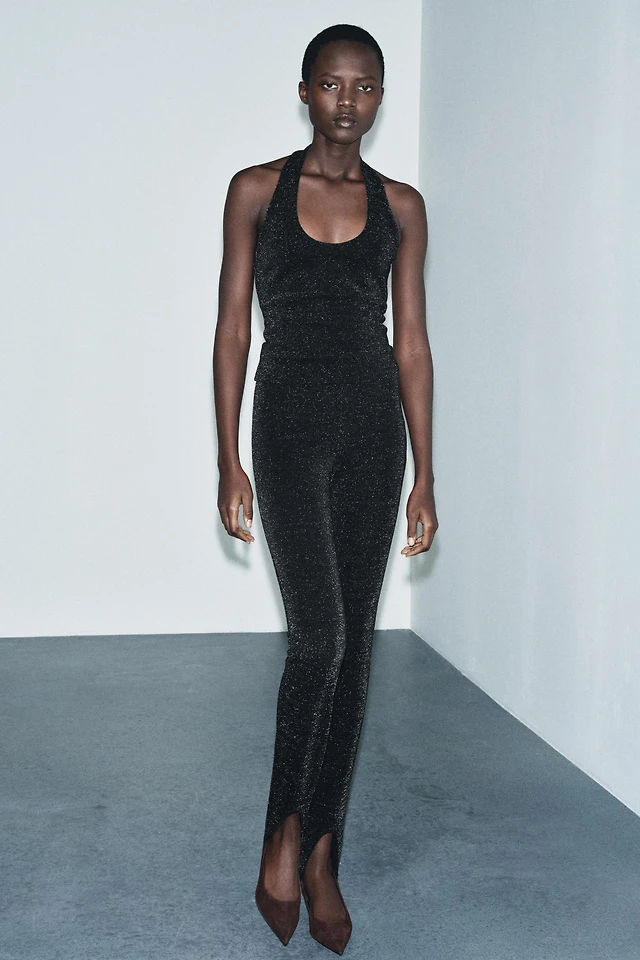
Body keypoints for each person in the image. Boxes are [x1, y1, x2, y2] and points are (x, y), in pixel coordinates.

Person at [213, 23, 437, 955]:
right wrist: (227, 458)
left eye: (367, 86)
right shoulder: (255, 191)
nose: (350, 101)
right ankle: (282, 836)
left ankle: (322, 855)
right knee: (321, 639)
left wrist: (428, 471)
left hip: (373, 436)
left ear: (380, 97)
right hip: (288, 427)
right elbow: (233, 329)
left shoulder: (402, 206)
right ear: (304, 91)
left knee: (357, 651)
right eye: (333, 85)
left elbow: (411, 342)